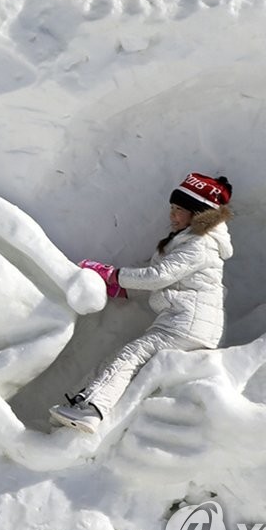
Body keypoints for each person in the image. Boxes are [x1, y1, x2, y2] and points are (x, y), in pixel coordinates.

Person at [49, 171, 234, 434]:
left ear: (198, 214)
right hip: (185, 323)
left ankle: (91, 409)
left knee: (130, 356)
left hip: (185, 325)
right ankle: (81, 403)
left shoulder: (199, 244)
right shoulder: (189, 242)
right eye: (171, 208)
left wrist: (112, 275)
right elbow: (165, 282)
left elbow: (158, 277)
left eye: (179, 210)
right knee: (124, 357)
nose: (172, 215)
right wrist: (122, 289)